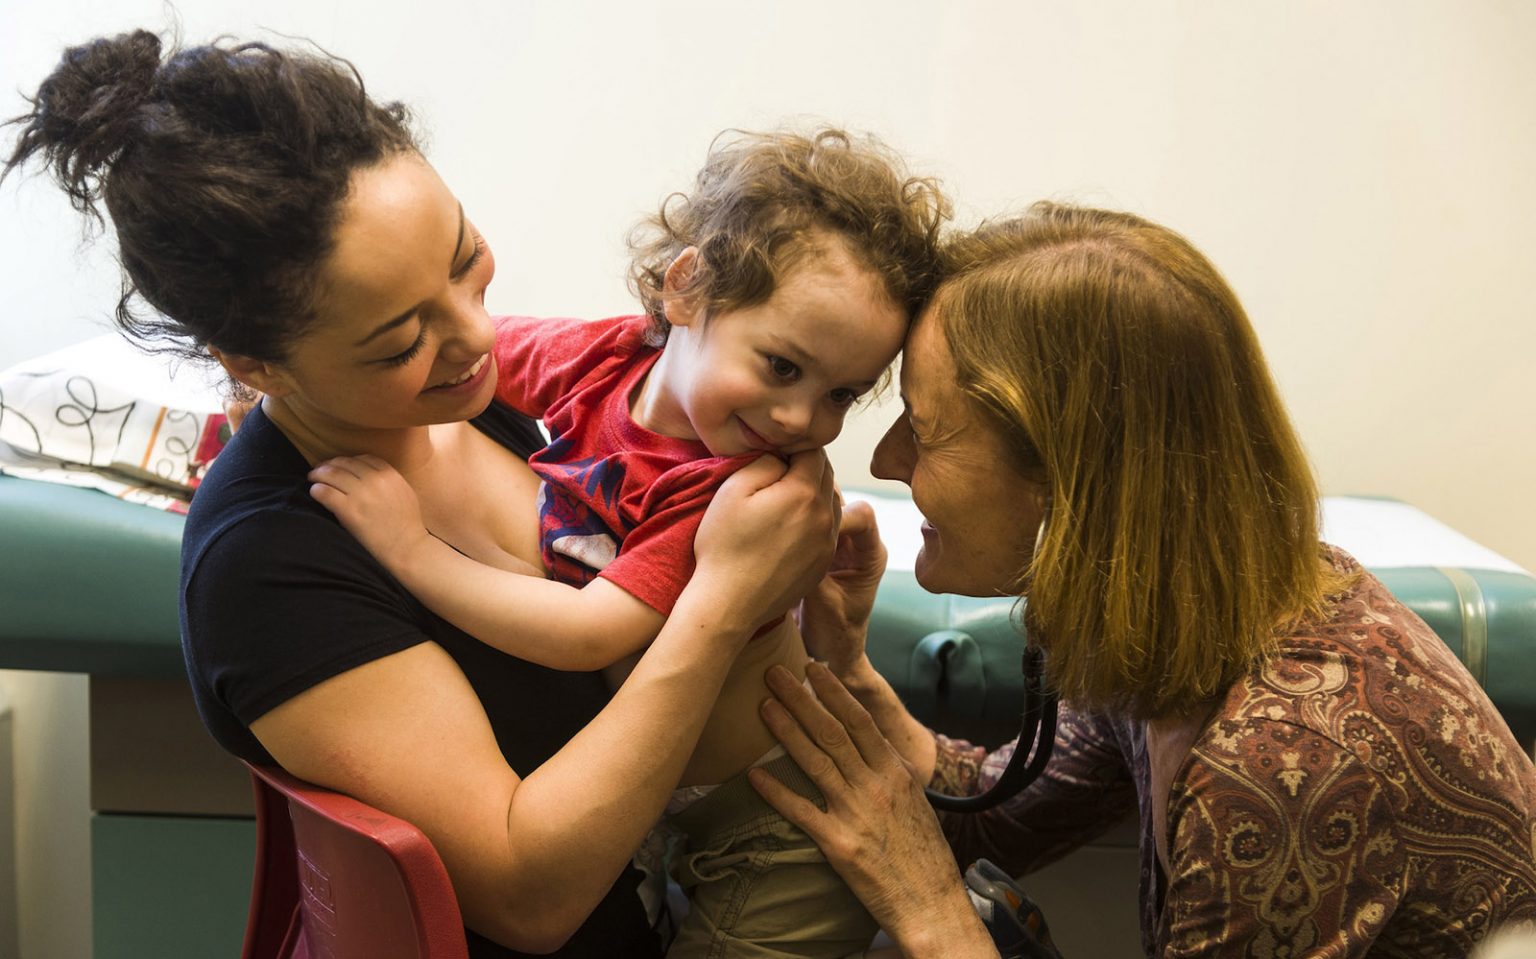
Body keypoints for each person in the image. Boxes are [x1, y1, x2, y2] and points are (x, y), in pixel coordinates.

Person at [2, 30, 846, 958]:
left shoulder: (482, 404)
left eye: (462, 257)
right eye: (402, 342)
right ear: (257, 366)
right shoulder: (269, 570)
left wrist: (813, 619)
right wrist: (723, 603)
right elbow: (529, 896)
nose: (478, 338)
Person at [748, 203, 1536, 957]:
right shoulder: (1194, 619)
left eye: (922, 429)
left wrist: (932, 914)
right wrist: (847, 665)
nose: (884, 460)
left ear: (1071, 480)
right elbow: (987, 814)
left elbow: (942, 868)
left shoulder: (1281, 757)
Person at [306, 129, 948, 958]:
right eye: (783, 367)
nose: (801, 418)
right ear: (687, 287)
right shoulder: (603, 359)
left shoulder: (727, 488)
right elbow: (475, 356)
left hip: (782, 830)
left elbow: (590, 634)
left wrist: (411, 552)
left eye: (841, 395)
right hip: (691, 814)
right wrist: (314, 390)